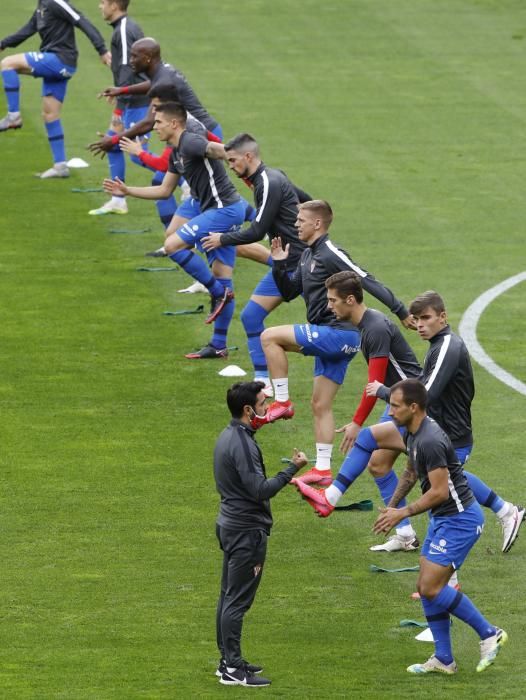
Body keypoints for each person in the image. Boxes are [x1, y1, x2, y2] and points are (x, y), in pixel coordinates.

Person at [297, 290, 524, 555]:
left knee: (443, 496)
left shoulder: (448, 346)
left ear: (443, 317)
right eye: (416, 319)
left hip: (448, 437)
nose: (419, 325)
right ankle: (377, 521)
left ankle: (492, 526)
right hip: (434, 429)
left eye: (426, 318)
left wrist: (383, 392)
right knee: (376, 452)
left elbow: (426, 394)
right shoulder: (437, 345)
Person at [260, 199, 414, 483]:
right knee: (320, 404)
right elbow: (291, 290)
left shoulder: (330, 252)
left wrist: (400, 310)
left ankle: (281, 401)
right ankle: (322, 469)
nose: (295, 225)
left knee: (269, 336)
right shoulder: (306, 255)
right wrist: (280, 265)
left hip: (338, 333)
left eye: (300, 221)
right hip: (328, 336)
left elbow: (365, 279)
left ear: (317, 223)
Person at [371, 379, 508, 675]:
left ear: (414, 407)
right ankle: (444, 659)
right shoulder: (412, 431)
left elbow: (439, 492)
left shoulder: (430, 440)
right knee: (427, 587)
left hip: (459, 520)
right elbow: (409, 471)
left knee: (431, 587)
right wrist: (394, 505)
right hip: (443, 518)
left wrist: (402, 513)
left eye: (395, 405)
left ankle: (489, 633)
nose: (390, 411)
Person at [103, 101, 245, 358]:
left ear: (174, 123)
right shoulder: (175, 151)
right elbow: (164, 190)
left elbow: (214, 148)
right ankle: (218, 345)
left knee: (172, 244)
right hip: (215, 210)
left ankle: (216, 291)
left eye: (158, 122)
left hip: (223, 210)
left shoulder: (189, 141)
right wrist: (127, 191)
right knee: (222, 273)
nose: (153, 126)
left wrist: (237, 157)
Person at [292, 270, 422, 549]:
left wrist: (356, 422)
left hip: (412, 408)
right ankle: (406, 535)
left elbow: (373, 384)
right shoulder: (365, 324)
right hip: (398, 403)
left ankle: (331, 497)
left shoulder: (373, 328)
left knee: (441, 472)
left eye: (332, 300)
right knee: (378, 464)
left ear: (350, 300)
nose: (328, 306)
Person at [202, 132, 312, 395]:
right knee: (251, 316)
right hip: (283, 259)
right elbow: (308, 200)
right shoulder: (272, 177)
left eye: (232, 160)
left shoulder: (268, 181)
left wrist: (222, 239)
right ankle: (263, 381)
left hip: (299, 263)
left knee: (327, 329)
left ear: (248, 156)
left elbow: (256, 231)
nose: (230, 166)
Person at [214, 381, 308, 687]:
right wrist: (292, 470)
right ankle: (232, 667)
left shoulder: (229, 436)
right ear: (247, 409)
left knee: (228, 596)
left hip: (230, 524)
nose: (266, 408)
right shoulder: (242, 443)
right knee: (238, 601)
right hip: (246, 531)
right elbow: (260, 490)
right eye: (262, 402)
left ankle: (227, 661)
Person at [0, 0, 110, 178]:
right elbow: (29, 29)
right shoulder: (42, 5)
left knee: (7, 64)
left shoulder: (55, 2)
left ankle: (13, 115)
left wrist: (102, 49)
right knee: (50, 114)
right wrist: (3, 43)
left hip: (59, 60)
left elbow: (81, 19)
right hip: (59, 65)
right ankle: (60, 166)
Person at [88, 0, 150, 216]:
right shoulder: (123, 28)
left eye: (103, 2)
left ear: (114, 5)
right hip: (128, 100)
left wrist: (119, 93)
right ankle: (117, 199)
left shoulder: (124, 30)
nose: (99, 6)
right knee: (111, 144)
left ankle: (186, 178)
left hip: (136, 102)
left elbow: (127, 68)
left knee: (136, 154)